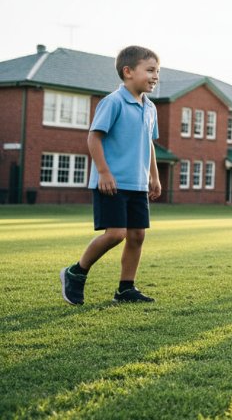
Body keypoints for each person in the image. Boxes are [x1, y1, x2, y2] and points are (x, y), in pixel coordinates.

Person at [60, 46, 162, 305]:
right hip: (112, 183)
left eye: (158, 72)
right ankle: (76, 272)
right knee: (116, 234)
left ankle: (126, 289)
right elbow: (94, 137)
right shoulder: (113, 102)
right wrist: (103, 172)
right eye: (150, 70)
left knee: (137, 235)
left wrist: (155, 176)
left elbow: (148, 143)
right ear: (128, 72)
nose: (155, 76)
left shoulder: (150, 108)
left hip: (138, 184)